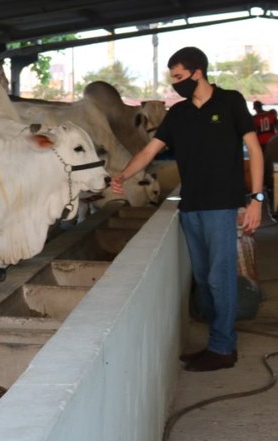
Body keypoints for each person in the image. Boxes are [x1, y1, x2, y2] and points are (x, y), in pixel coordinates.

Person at [111, 47, 263, 373]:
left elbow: (255, 150)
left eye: (179, 77)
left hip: (222, 206)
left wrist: (257, 200)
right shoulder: (178, 114)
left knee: (220, 280)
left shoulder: (231, 101)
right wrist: (124, 174)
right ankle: (217, 343)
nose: (175, 83)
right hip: (191, 207)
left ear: (197, 72)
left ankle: (223, 349)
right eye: (173, 78)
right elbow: (150, 150)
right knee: (204, 281)